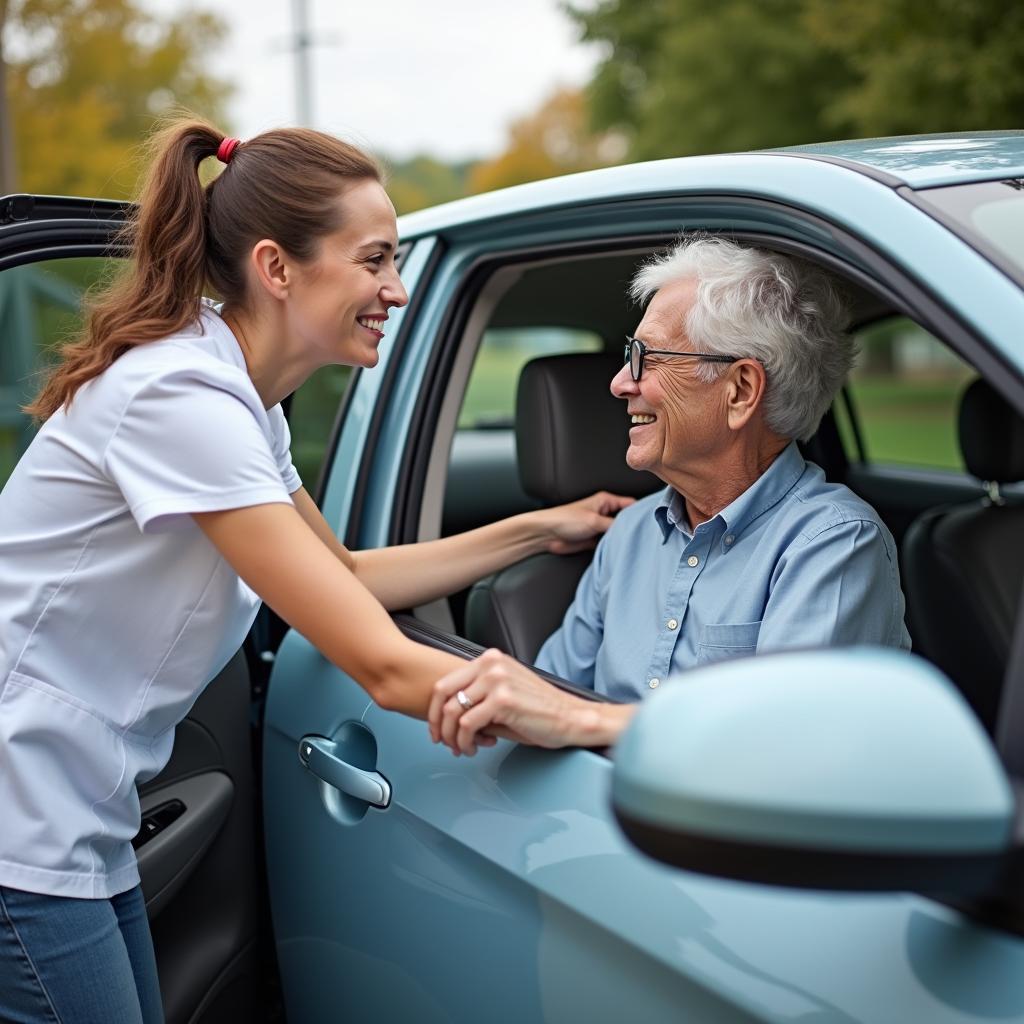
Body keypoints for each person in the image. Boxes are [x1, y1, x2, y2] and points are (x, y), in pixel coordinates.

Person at [0, 120, 632, 1023]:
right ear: (277, 266)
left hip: (68, 817)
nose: (398, 290)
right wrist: (592, 723)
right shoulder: (179, 399)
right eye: (374, 260)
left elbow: (341, 575)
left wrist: (539, 527)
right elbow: (375, 657)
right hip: (21, 819)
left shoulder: (242, 405)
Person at [429, 236, 911, 756]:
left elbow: (785, 745)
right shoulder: (631, 532)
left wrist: (585, 720)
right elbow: (546, 694)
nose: (618, 383)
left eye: (646, 358)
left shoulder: (834, 544)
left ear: (742, 390)